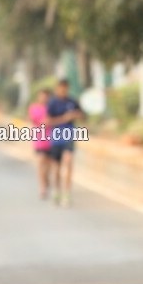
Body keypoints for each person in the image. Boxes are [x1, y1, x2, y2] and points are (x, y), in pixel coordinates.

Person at [46, 79, 85, 207]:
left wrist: (76, 115)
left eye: (65, 88)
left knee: (68, 162)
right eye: (61, 88)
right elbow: (47, 121)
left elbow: (82, 115)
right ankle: (57, 189)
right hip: (57, 137)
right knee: (57, 167)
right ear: (57, 88)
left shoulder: (72, 102)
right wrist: (63, 118)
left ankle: (67, 192)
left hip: (69, 136)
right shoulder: (52, 103)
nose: (63, 90)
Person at [27, 88, 52, 200]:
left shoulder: (51, 108)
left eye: (46, 96)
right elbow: (34, 120)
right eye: (42, 96)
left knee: (49, 163)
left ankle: (46, 179)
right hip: (40, 140)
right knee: (41, 161)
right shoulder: (34, 108)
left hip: (52, 139)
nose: (44, 98)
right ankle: (42, 187)